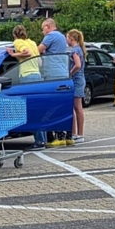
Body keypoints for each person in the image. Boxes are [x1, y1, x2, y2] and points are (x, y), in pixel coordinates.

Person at [5, 25, 45, 149]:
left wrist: (12, 54)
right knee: (38, 109)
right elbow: (39, 61)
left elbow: (26, 53)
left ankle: (39, 141)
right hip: (37, 74)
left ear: (14, 35)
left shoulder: (18, 42)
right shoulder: (32, 42)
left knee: (30, 110)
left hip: (27, 76)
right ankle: (42, 140)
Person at [37, 18, 72, 147]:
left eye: (43, 29)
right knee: (63, 105)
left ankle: (59, 137)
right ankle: (68, 136)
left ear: (47, 26)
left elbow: (38, 50)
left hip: (53, 73)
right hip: (63, 72)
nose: (42, 32)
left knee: (53, 106)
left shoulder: (50, 36)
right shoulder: (62, 36)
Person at [66, 29, 87, 144]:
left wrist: (70, 73)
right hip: (80, 79)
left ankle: (79, 134)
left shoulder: (74, 50)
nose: (66, 40)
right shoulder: (79, 49)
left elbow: (77, 65)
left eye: (67, 38)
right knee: (76, 107)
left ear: (71, 38)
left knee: (77, 107)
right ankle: (75, 133)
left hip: (77, 79)